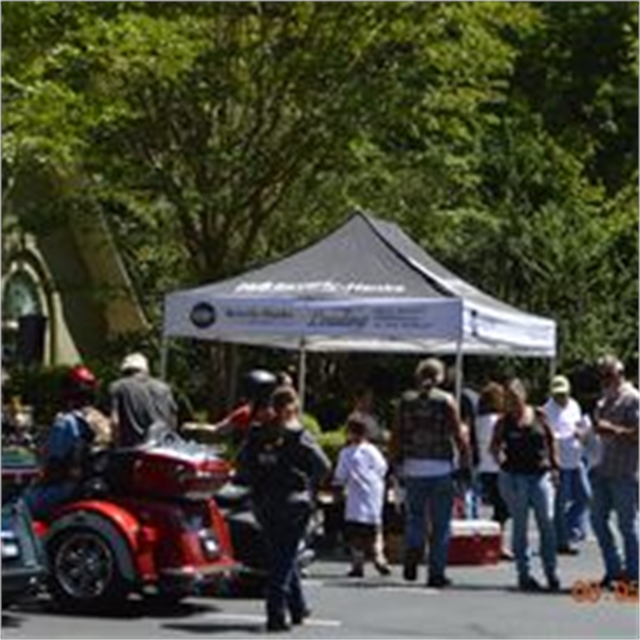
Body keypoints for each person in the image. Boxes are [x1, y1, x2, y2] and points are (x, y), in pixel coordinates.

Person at [235, 385, 331, 632]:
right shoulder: (299, 435)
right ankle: (275, 613)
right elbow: (323, 466)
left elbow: (242, 467)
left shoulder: (256, 434)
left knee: (281, 554)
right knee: (284, 558)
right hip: (293, 502)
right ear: (294, 407)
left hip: (264, 502)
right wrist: (308, 482)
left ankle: (298, 606)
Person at [389, 357, 470, 588]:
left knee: (415, 516)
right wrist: (465, 462)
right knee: (441, 522)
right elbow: (458, 435)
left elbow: (396, 434)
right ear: (440, 377)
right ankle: (436, 572)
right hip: (440, 467)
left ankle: (414, 546)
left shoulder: (405, 401)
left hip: (413, 466)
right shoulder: (446, 400)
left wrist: (393, 462)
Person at [490, 378, 561, 592]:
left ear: (523, 396)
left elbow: (551, 440)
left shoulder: (539, 415)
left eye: (515, 397)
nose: (513, 402)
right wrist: (500, 461)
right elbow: (494, 446)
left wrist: (555, 467)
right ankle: (524, 574)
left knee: (546, 523)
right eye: (509, 398)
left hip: (539, 475)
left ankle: (551, 572)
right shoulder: (504, 421)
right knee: (520, 526)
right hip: (515, 477)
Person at [24, 365, 108, 519]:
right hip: (92, 486)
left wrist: (38, 480)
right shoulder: (102, 419)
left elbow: (53, 462)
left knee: (16, 505)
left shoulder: (66, 422)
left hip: (68, 488)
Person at [590, 355, 638, 587]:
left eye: (608, 375)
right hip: (602, 469)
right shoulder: (605, 400)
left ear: (620, 374)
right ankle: (614, 568)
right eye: (602, 375)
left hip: (625, 471)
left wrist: (614, 430)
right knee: (597, 520)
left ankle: (634, 574)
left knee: (627, 525)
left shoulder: (632, 399)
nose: (604, 380)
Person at [334, 416, 391, 578]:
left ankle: (358, 563)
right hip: (373, 493)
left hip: (354, 496)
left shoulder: (346, 453)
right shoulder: (373, 450)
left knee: (355, 532)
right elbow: (382, 468)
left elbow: (340, 475)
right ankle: (379, 556)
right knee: (375, 529)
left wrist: (339, 485)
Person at [543, 375, 592, 555]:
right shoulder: (547, 410)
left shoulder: (574, 405)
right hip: (560, 462)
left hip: (576, 459)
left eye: (563, 394)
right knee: (560, 501)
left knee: (585, 496)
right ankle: (562, 541)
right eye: (557, 394)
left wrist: (582, 432)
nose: (560, 397)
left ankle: (569, 528)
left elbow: (580, 426)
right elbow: (548, 436)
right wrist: (567, 435)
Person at [474, 381, 512, 559]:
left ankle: (497, 542)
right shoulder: (498, 421)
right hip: (498, 467)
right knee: (503, 509)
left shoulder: (478, 420)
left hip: (484, 467)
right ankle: (498, 543)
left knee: (500, 508)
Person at [109, 352, 178, 447]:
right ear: (146, 370)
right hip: (164, 449)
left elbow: (115, 422)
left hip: (133, 451)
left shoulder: (118, 387)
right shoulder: (164, 388)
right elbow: (173, 421)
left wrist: (116, 447)